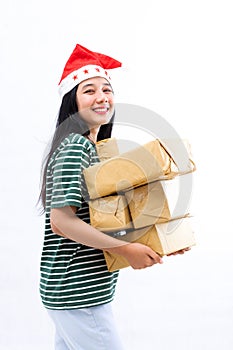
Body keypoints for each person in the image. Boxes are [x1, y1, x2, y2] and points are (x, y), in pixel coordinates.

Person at [38, 43, 188, 350]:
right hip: (77, 295)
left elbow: (103, 219)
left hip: (75, 292)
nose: (102, 97)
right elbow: (62, 222)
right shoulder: (74, 148)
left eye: (107, 89)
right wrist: (127, 249)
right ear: (72, 101)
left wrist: (153, 243)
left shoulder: (91, 150)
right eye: (89, 90)